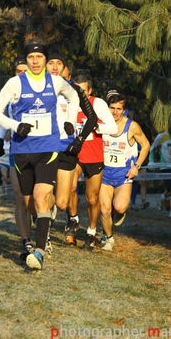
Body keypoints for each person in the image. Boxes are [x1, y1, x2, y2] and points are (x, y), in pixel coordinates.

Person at [0, 38, 80, 271]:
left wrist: (70, 121)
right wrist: (14, 125)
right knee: (30, 204)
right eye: (31, 57)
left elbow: (74, 96)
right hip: (22, 151)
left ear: (46, 59)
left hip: (48, 149)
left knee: (41, 197)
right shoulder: (15, 83)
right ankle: (41, 223)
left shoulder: (56, 81)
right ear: (27, 59)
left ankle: (39, 252)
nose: (35, 61)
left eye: (40, 57)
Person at [46, 50, 97, 251]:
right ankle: (45, 233)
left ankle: (49, 213)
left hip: (67, 150)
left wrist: (80, 140)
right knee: (44, 193)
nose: (55, 67)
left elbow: (91, 118)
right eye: (51, 62)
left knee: (61, 202)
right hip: (44, 148)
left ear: (66, 68)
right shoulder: (37, 88)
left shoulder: (74, 89)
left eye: (60, 63)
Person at [65, 74, 117, 251]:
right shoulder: (68, 105)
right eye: (76, 90)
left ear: (90, 91)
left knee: (92, 199)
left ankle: (91, 232)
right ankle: (73, 219)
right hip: (76, 155)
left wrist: (97, 127)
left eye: (83, 91)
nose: (79, 95)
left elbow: (113, 127)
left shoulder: (98, 104)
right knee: (70, 187)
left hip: (95, 157)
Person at [0, 55, 34, 261]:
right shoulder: (10, 91)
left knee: (36, 199)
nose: (21, 74)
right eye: (18, 71)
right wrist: (0, 140)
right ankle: (26, 242)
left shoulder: (40, 90)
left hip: (39, 150)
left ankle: (44, 225)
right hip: (16, 149)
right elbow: (2, 116)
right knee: (20, 196)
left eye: (24, 70)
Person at [99, 94, 150, 251]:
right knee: (104, 209)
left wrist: (137, 166)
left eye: (118, 109)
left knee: (120, 207)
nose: (115, 112)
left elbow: (146, 145)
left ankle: (120, 211)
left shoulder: (132, 126)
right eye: (112, 108)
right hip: (105, 173)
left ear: (124, 110)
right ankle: (108, 238)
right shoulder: (101, 124)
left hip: (124, 174)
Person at [149, 131, 171, 218]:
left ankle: (163, 197)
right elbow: (152, 148)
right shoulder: (161, 136)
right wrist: (151, 161)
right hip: (164, 167)